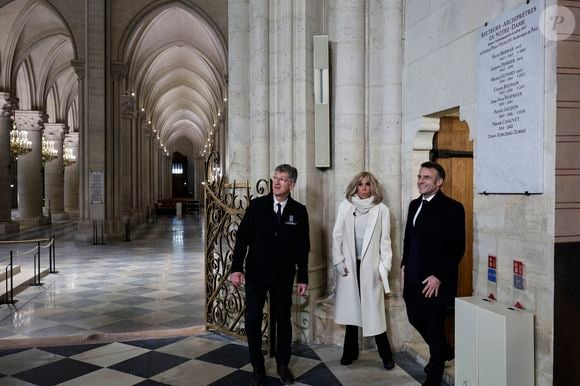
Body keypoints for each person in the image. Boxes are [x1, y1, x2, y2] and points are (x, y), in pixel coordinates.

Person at [230, 164, 310, 386]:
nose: (276, 182)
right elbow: (242, 238)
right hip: (256, 274)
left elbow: (303, 248)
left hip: (283, 277)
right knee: (253, 319)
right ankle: (257, 365)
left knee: (283, 321)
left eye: (282, 179)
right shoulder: (257, 206)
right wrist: (236, 268)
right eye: (275, 178)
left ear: (292, 184)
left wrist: (303, 277)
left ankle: (283, 365)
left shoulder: (299, 211)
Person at [401, 161, 465, 386]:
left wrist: (439, 275)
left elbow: (458, 247)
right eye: (419, 176)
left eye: (426, 177)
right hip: (412, 276)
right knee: (414, 317)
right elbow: (409, 238)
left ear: (439, 182)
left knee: (435, 325)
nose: (421, 181)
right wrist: (403, 265)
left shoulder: (453, 208)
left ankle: (435, 373)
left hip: (435, 280)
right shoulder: (413, 205)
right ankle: (445, 350)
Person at [332, 171, 395, 370]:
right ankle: (349, 352)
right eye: (360, 184)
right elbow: (337, 236)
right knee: (352, 309)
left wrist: (384, 268)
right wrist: (339, 261)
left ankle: (386, 355)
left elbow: (385, 242)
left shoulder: (382, 210)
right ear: (355, 187)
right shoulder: (345, 207)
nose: (364, 188)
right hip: (350, 265)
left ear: (373, 187)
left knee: (374, 311)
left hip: (371, 267)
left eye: (367, 184)